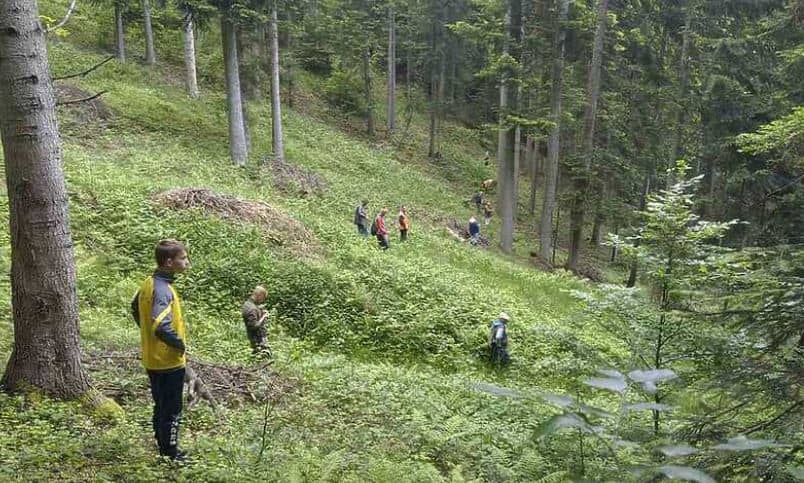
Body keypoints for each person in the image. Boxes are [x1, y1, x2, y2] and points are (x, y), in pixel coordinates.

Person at [130, 240, 191, 461]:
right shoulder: (164, 290)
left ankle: (162, 444)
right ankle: (171, 453)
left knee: (160, 405)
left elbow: (134, 306)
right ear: (168, 262)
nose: (186, 262)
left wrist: (145, 331)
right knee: (172, 410)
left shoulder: (149, 283)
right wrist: (180, 346)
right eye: (183, 258)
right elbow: (161, 325)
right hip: (168, 362)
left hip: (152, 359)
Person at [241, 285, 270, 356]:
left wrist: (259, 311)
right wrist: (264, 316)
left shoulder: (247, 304)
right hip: (258, 341)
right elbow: (254, 326)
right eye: (263, 298)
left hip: (254, 340)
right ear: (259, 295)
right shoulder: (252, 309)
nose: (262, 300)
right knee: (264, 361)